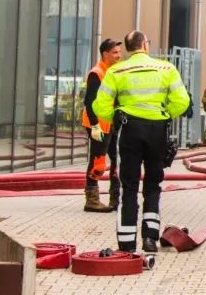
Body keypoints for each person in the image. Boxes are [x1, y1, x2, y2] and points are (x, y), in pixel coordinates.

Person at [93, 31, 190, 253]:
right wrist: (165, 114)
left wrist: (117, 117)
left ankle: (127, 243)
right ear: (145, 45)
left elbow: (99, 106)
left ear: (127, 48)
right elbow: (182, 101)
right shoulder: (166, 68)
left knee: (129, 186)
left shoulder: (117, 70)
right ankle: (150, 239)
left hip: (130, 131)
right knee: (153, 186)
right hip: (157, 131)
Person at [81, 38, 124, 213]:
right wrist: (94, 126)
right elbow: (89, 101)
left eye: (119, 53)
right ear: (105, 54)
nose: (118, 56)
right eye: (115, 53)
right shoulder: (97, 73)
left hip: (111, 123)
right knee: (98, 162)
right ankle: (92, 200)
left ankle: (115, 199)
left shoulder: (114, 72)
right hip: (98, 124)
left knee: (117, 161)